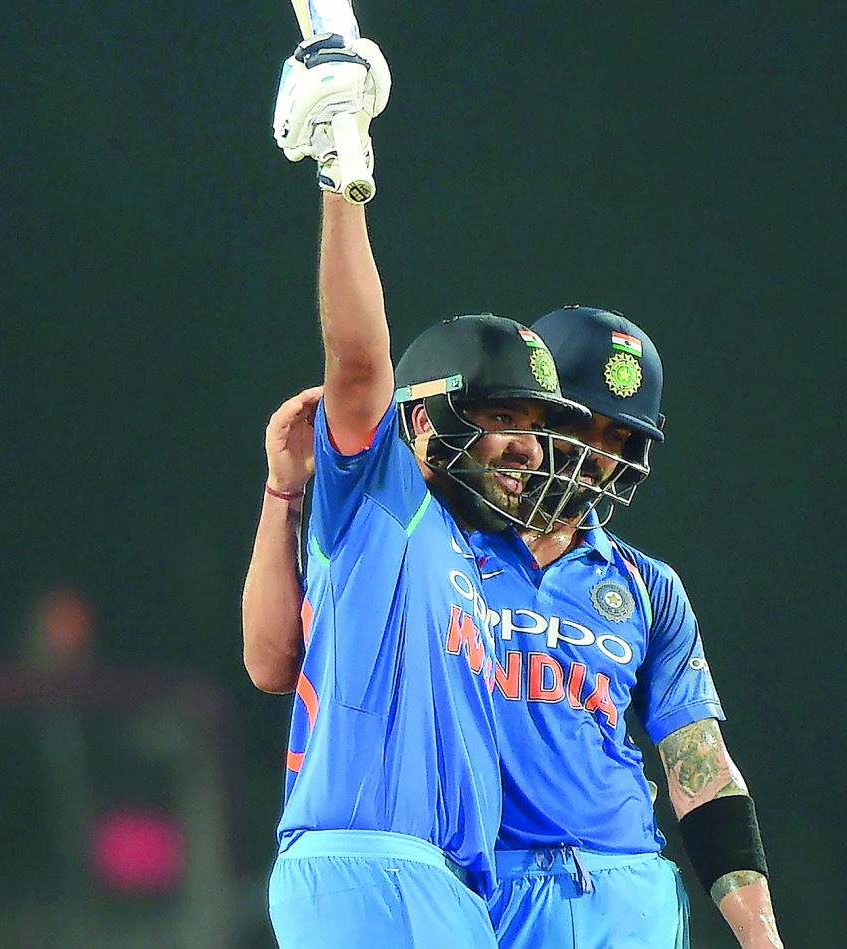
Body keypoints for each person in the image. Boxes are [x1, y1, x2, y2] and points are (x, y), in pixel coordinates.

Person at [247, 309, 786, 949]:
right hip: (484, 884)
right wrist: (283, 494)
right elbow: (282, 665)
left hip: (627, 884)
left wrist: (759, 934)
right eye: (580, 425)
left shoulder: (646, 585)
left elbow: (702, 766)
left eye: (621, 439)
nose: (597, 457)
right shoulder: (427, 540)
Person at [250, 35, 589, 949]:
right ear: (431, 421)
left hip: (437, 886)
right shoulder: (390, 493)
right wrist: (343, 176)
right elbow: (359, 358)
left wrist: (281, 501)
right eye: (507, 417)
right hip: (371, 865)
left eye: (536, 424)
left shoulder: (482, 560)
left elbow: (270, 663)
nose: (528, 446)